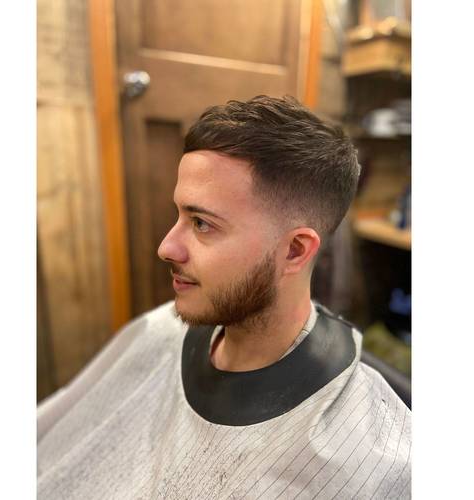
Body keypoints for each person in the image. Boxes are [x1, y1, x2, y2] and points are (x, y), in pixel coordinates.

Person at [37, 96, 411, 499]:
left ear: (295, 251)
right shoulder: (159, 331)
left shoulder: (376, 455)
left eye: (202, 223)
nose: (166, 247)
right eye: (179, 215)